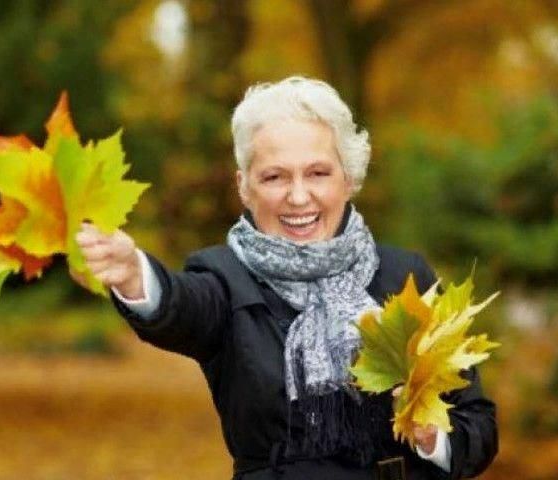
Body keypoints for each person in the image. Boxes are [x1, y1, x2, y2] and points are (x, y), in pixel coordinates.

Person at [75, 77, 497, 479]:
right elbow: (181, 306)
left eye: (318, 173)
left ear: (348, 178)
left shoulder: (405, 277)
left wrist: (432, 438)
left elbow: (477, 426)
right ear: (245, 187)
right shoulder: (224, 278)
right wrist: (133, 274)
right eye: (275, 177)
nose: (298, 196)